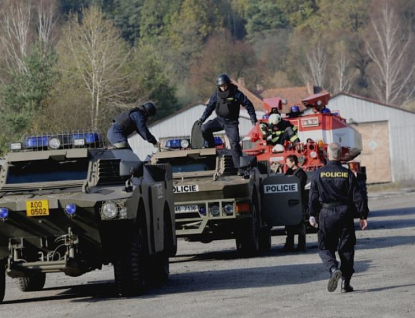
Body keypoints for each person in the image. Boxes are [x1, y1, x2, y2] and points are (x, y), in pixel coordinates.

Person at [308, 142, 368, 293]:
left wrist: (312, 215)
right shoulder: (347, 174)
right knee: (346, 249)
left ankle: (333, 268)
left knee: (325, 247)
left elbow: (313, 197)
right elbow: (357, 195)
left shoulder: (318, 174)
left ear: (327, 155)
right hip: (344, 213)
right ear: (340, 155)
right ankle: (345, 283)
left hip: (326, 214)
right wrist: (362, 215)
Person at [196, 74, 257, 175]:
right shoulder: (216, 94)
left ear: (228, 84)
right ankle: (211, 146)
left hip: (231, 123)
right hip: (219, 120)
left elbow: (248, 105)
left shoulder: (236, 93)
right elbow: (209, 107)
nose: (223, 88)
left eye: (224, 85)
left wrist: (253, 118)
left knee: (234, 144)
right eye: (221, 86)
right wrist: (202, 119)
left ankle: (239, 168)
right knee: (204, 128)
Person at [282, 154, 307, 252]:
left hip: (299, 202)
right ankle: (289, 245)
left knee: (300, 225)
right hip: (289, 202)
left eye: (288, 161)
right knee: (289, 225)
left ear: (293, 162)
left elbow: (298, 186)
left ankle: (301, 246)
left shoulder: (301, 173)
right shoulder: (288, 172)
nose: (286, 163)